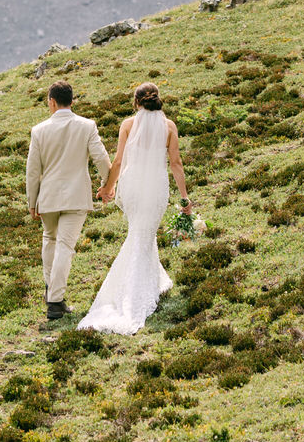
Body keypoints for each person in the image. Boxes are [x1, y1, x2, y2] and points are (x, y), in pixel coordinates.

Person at [79, 82, 190, 335]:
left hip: (132, 189)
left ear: (136, 102)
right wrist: (184, 198)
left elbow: (117, 162)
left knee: (140, 235)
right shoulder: (169, 126)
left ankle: (151, 282)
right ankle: (135, 294)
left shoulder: (127, 125)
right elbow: (176, 164)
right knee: (143, 235)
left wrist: (108, 187)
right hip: (155, 190)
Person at [25, 80, 111, 320]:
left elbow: (33, 171)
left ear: (51, 102)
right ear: (72, 101)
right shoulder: (87, 126)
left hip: (48, 198)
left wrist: (32, 202)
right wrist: (107, 185)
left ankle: (51, 290)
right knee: (64, 245)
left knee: (50, 240)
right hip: (76, 197)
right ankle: (55, 300)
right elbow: (101, 158)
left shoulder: (39, 130)